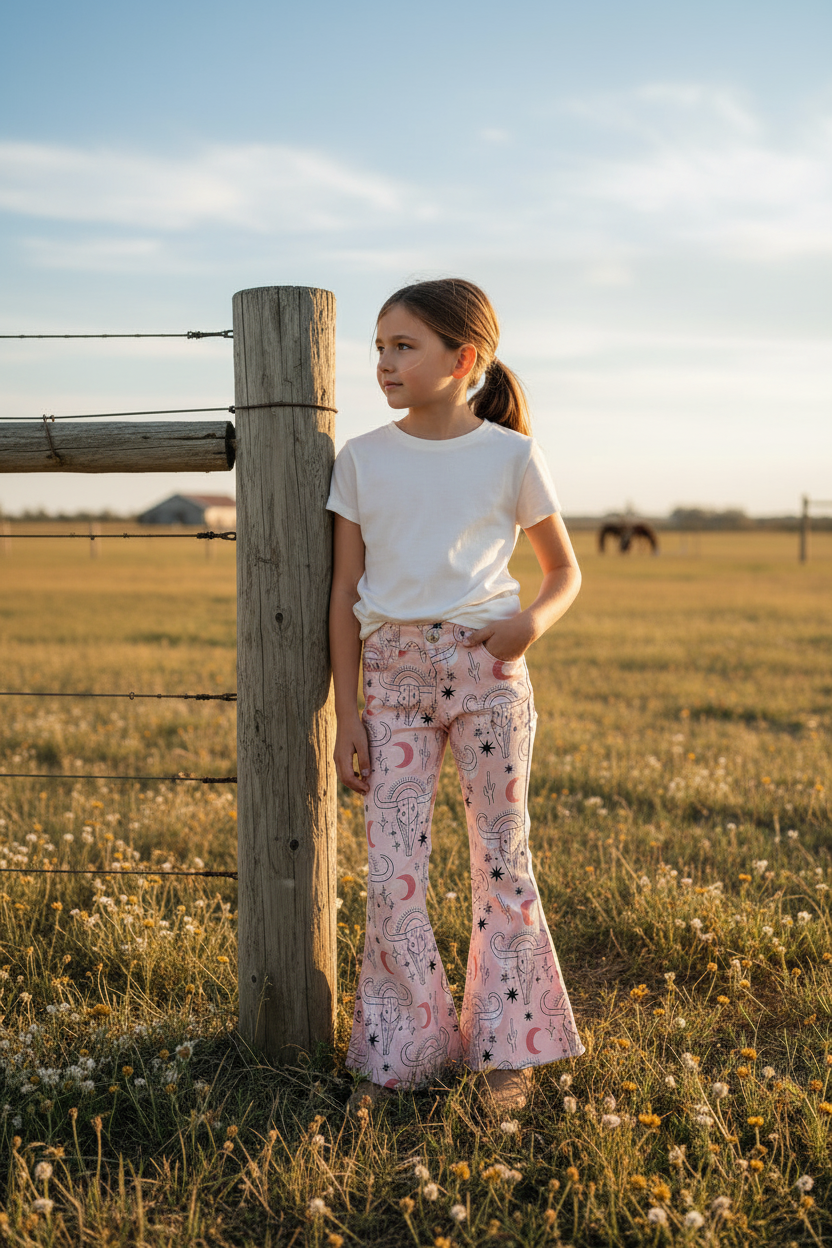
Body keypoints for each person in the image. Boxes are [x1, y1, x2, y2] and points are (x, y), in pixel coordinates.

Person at [327, 277, 585, 1112]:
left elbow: (563, 571)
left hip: (488, 678)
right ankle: (399, 1053)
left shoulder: (512, 456)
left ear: (462, 358)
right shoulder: (361, 457)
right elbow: (344, 592)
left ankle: (507, 1052)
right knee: (392, 873)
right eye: (379, 347)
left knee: (501, 861)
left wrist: (530, 625)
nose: (384, 363)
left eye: (403, 346)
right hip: (391, 683)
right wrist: (347, 714)